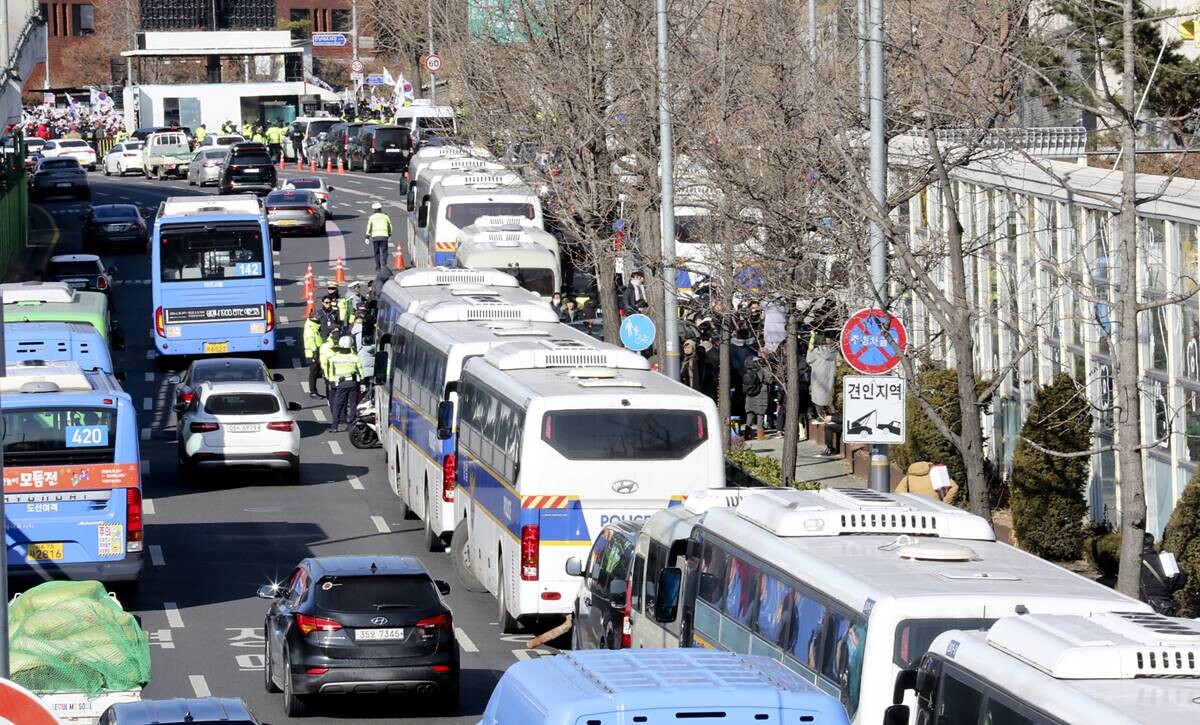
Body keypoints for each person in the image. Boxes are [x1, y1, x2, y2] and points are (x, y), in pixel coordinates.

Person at [324, 335, 363, 433]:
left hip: (341, 384)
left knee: (338, 405)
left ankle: (334, 426)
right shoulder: (355, 358)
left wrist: (332, 383)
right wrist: (361, 382)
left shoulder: (334, 358)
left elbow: (331, 373)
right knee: (353, 404)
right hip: (353, 383)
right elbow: (361, 372)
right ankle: (352, 424)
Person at [895, 462, 959, 504]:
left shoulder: (907, 478)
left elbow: (898, 492)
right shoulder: (936, 474)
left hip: (916, 508)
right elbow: (954, 486)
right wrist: (945, 502)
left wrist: (908, 503)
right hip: (935, 507)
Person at [743, 357, 770, 438]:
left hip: (750, 392)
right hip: (761, 392)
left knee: (750, 413)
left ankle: (747, 434)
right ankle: (760, 435)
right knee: (760, 414)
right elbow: (769, 380)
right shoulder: (764, 369)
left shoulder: (747, 370)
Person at [302, 310, 326, 399]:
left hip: (316, 352)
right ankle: (313, 392)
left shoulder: (314, 327)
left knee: (316, 372)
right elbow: (311, 342)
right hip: (313, 354)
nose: (319, 319)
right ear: (312, 318)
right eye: (317, 317)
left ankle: (314, 391)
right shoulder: (310, 328)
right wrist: (315, 353)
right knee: (313, 373)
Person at [365, 202, 394, 269]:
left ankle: (378, 266)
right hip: (384, 236)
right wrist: (389, 234)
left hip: (375, 237)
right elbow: (390, 226)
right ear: (380, 209)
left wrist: (367, 237)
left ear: (374, 210)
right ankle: (384, 265)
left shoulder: (372, 217)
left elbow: (369, 227)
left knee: (376, 252)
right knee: (384, 251)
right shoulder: (385, 216)